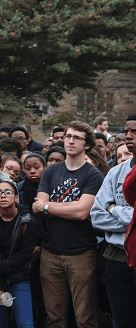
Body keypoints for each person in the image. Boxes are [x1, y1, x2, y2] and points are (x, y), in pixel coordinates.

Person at [31, 121, 104, 328]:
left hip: (82, 253)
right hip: (50, 253)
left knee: (85, 318)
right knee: (53, 318)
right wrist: (64, 207)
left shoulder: (93, 175)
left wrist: (48, 207)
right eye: (68, 136)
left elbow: (82, 212)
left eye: (77, 138)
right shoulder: (51, 171)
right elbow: (37, 205)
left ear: (87, 145)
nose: (71, 141)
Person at [90, 114, 136, 328]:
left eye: (134, 132)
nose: (128, 136)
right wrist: (130, 216)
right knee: (122, 320)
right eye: (126, 131)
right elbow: (97, 217)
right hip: (116, 257)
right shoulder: (116, 173)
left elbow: (108, 211)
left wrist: (114, 209)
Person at [0, 180, 40, 328]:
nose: (3, 196)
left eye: (8, 192)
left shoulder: (27, 221)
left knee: (26, 324)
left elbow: (25, 254)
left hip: (18, 276)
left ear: (16, 197)